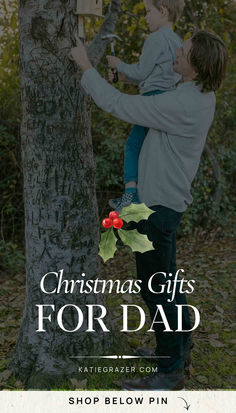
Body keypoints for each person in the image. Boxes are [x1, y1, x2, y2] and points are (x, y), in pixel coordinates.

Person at [70, 30, 227, 390]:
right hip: (166, 204)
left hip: (158, 208)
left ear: (197, 66)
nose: (176, 53)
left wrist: (86, 67)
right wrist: (128, 73)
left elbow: (121, 106)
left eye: (183, 53)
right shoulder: (196, 95)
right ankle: (177, 347)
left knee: (156, 288)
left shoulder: (183, 104)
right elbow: (149, 93)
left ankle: (170, 371)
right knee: (167, 283)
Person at [107, 0, 184, 213]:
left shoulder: (156, 38)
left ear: (163, 11)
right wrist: (122, 77)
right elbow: (153, 75)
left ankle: (132, 196)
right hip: (167, 100)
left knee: (133, 146)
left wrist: (118, 64)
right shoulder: (177, 42)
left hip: (151, 100)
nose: (146, 17)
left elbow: (141, 72)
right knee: (152, 152)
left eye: (148, 12)